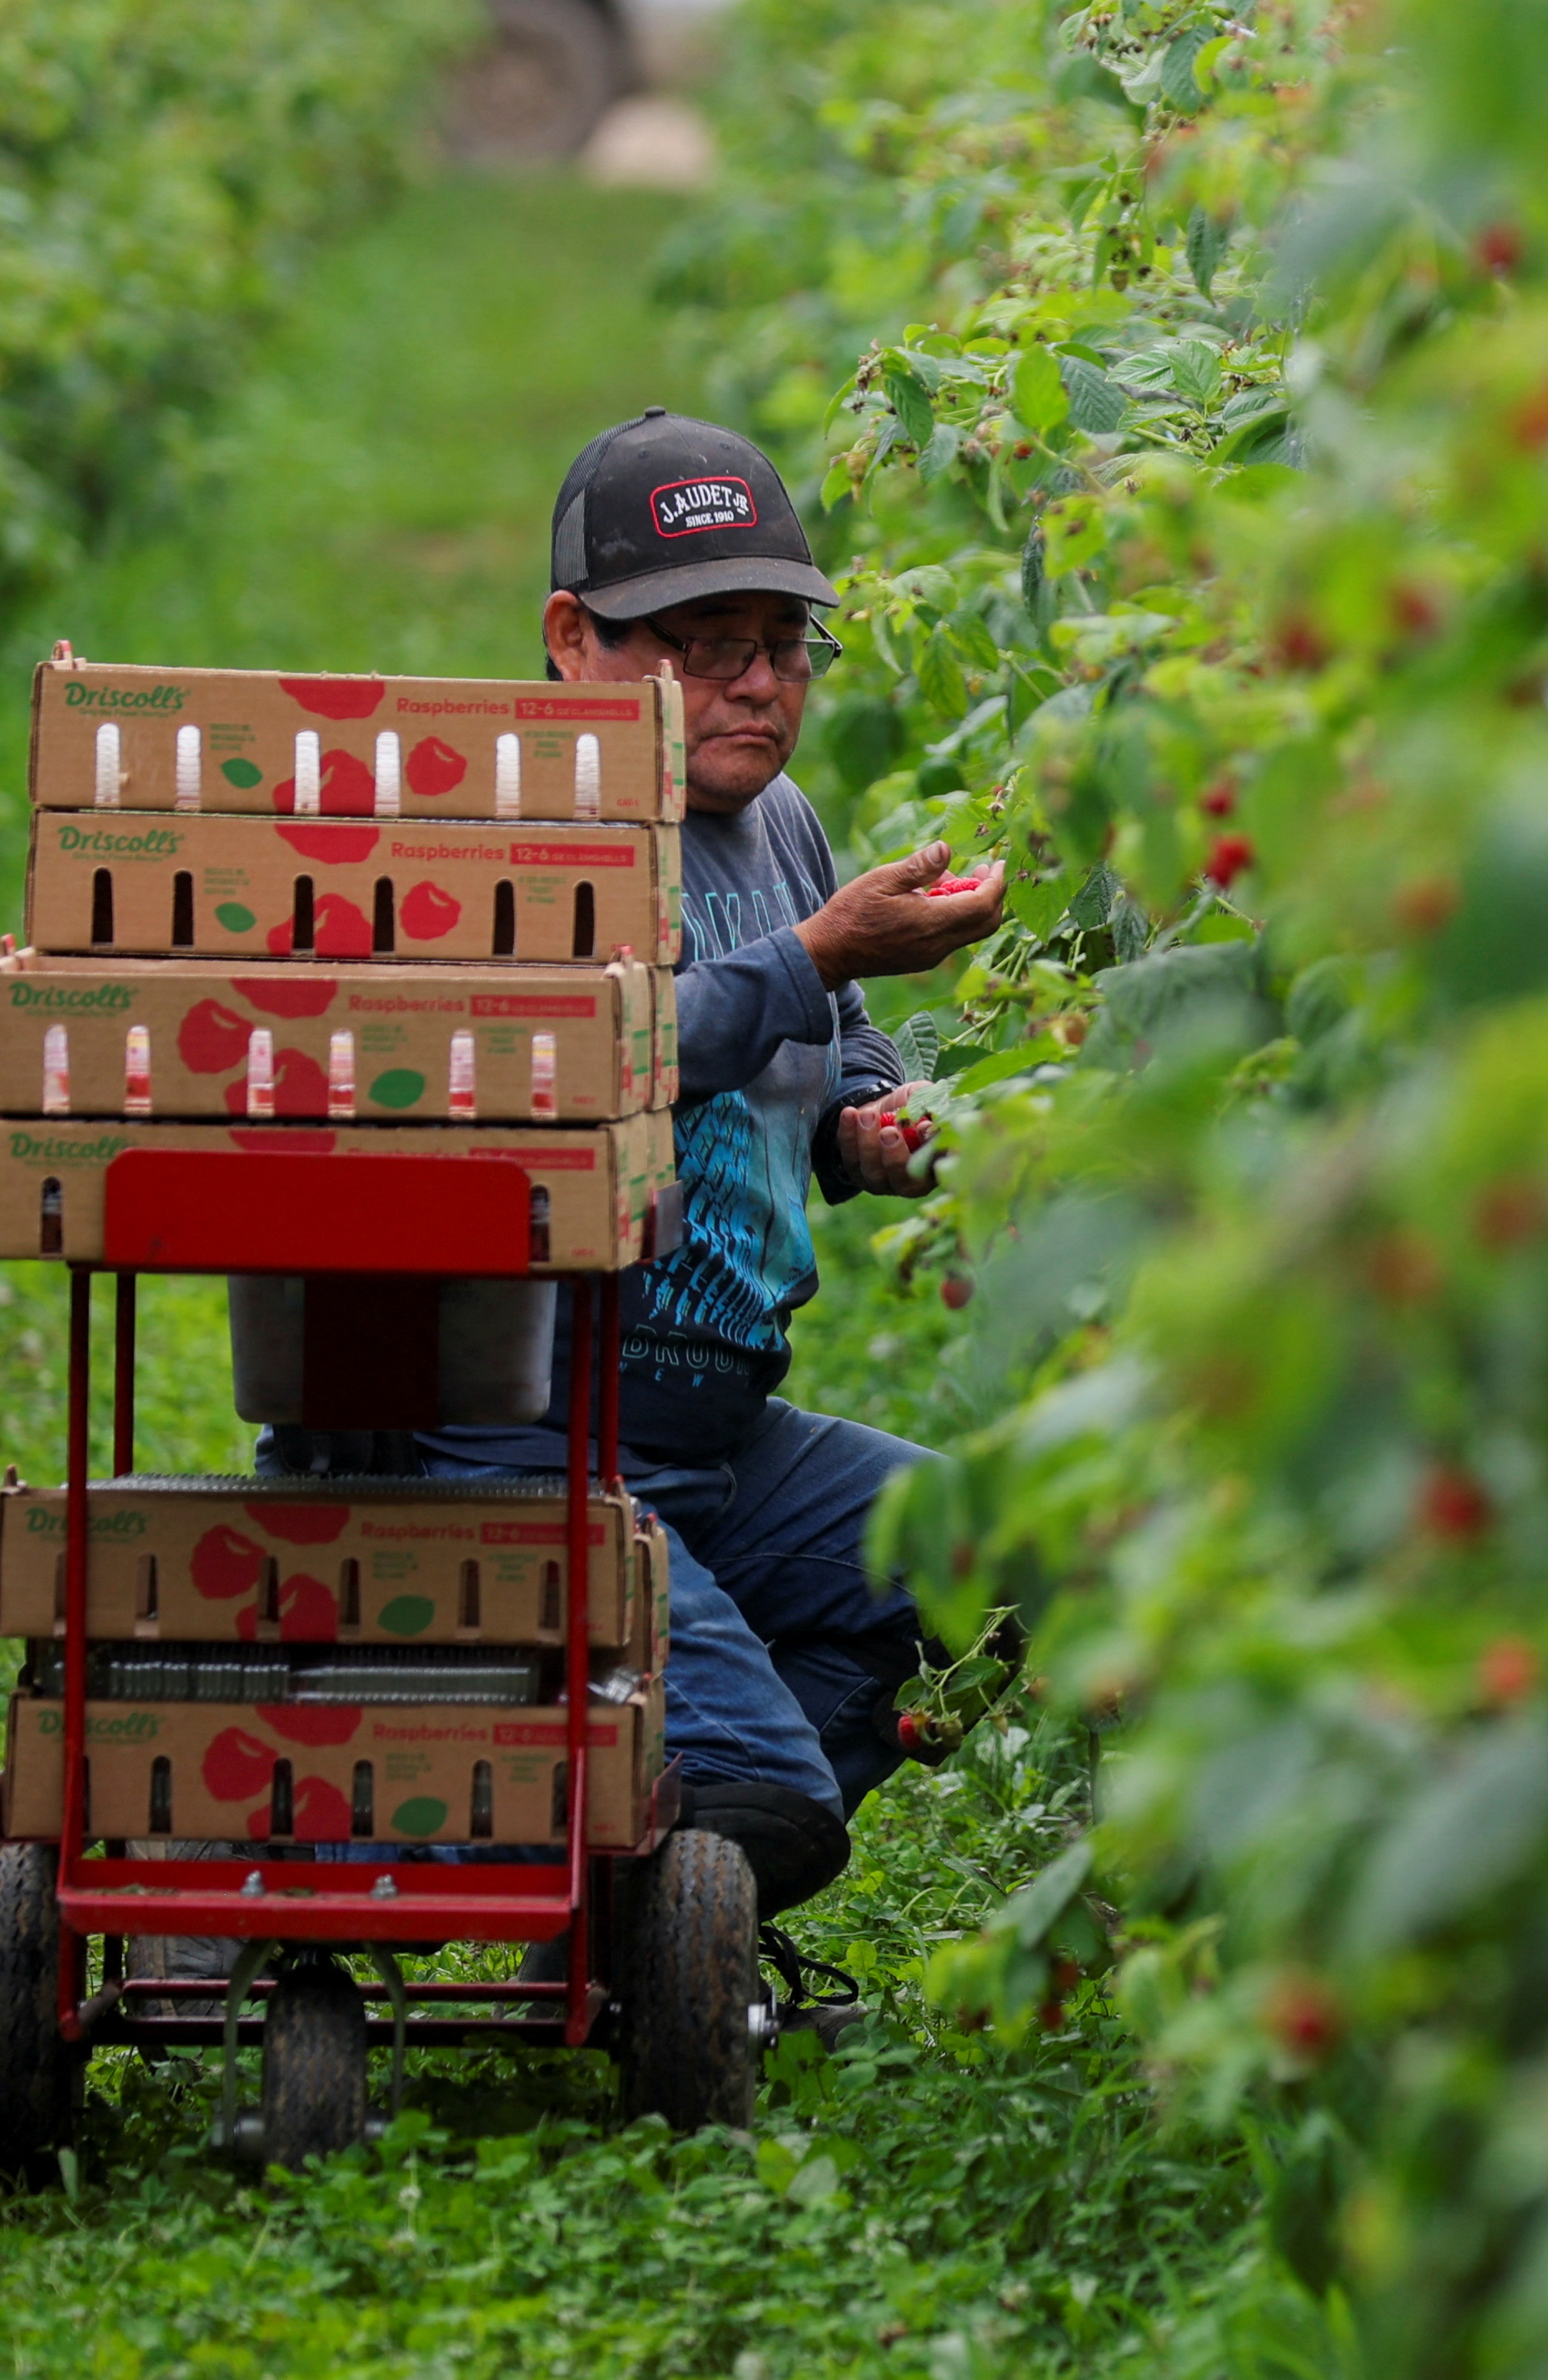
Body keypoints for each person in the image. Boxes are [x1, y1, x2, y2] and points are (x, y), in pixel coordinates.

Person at [265, 409, 1007, 1954]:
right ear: (572, 643)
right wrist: (810, 961)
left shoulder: (782, 823)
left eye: (783, 645)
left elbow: (841, 1065)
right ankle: (369, 1888)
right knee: (758, 1799)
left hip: (715, 1425)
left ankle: (638, 1922)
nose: (755, 682)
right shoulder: (511, 826)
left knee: (987, 1587)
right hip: (525, 1436)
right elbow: (554, 1066)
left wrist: (878, 1130)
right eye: (699, 643)